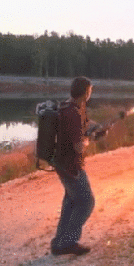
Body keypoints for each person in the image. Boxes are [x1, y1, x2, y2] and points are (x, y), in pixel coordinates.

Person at [51, 76, 95, 256]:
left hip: (62, 165)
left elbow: (83, 126)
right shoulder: (74, 114)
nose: (91, 93)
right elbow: (78, 146)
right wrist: (89, 140)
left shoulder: (69, 107)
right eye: (90, 90)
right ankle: (68, 243)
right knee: (86, 203)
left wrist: (96, 127)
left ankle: (58, 244)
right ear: (85, 93)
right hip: (72, 168)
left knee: (70, 204)